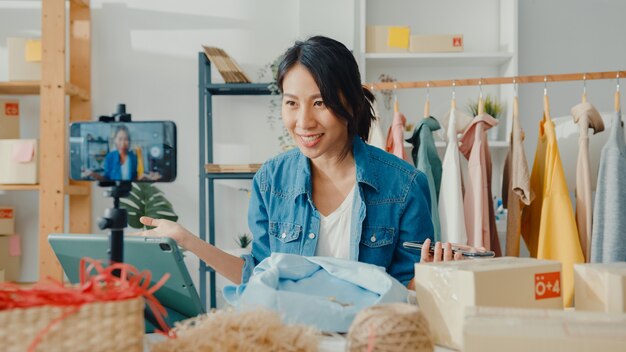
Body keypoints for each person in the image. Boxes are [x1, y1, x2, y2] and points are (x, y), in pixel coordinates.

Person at [137, 36, 459, 289]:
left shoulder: (404, 186)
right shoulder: (270, 181)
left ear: (349, 102)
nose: (303, 121)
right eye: (291, 103)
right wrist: (187, 240)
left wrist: (434, 277)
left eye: (319, 102)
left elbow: (407, 293)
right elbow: (258, 277)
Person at [86, 125, 161, 181]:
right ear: (115, 140)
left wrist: (144, 177)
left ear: (129, 141)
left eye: (126, 139)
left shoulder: (133, 157)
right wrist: (94, 175)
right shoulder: (110, 157)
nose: (123, 143)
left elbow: (134, 178)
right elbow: (106, 178)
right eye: (120, 139)